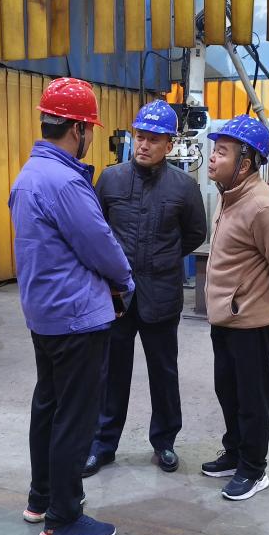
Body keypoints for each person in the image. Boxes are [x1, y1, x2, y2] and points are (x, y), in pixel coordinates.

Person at [8, 76, 134, 535]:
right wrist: (126, 282)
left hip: (44, 313)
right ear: (78, 128)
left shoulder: (29, 174)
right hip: (77, 317)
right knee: (75, 417)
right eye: (90, 130)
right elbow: (100, 245)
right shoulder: (65, 182)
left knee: (48, 406)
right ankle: (63, 518)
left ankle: (40, 498)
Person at [84, 100, 207, 478]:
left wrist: (162, 259)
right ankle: (103, 444)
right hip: (116, 296)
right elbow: (97, 228)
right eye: (140, 136)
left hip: (161, 295)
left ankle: (164, 442)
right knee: (110, 374)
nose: (144, 144)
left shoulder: (184, 187)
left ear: (169, 144)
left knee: (164, 373)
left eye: (153, 139)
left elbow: (195, 234)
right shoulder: (111, 179)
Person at [201, 115, 269, 501]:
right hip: (225, 318)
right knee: (228, 391)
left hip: (252, 323)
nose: (212, 158)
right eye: (214, 150)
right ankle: (235, 452)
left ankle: (254, 469)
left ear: (244, 164)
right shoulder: (228, 196)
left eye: (222, 152)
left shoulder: (262, 207)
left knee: (252, 399)